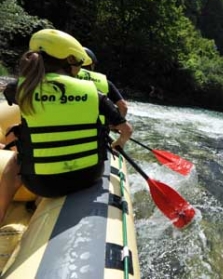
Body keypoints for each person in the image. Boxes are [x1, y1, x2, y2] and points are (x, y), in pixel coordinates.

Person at [0, 29, 133, 224]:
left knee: (16, 158)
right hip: (88, 177)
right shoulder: (93, 93)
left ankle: (1, 213)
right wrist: (117, 144)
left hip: (41, 184)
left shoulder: (19, 89)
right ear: (69, 60)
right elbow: (126, 130)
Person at [77, 47, 128, 117]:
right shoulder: (105, 82)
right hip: (100, 127)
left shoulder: (66, 78)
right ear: (92, 65)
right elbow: (123, 107)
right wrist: (116, 125)